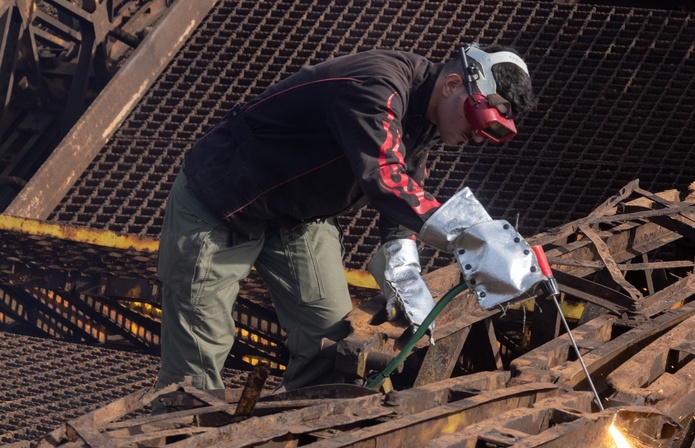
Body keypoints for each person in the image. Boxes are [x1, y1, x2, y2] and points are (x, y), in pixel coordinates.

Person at [154, 43, 536, 394]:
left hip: (297, 216)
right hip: (223, 201)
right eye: (478, 121)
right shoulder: (377, 86)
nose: (479, 137)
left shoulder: (428, 111)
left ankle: (295, 437)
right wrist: (471, 237)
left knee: (331, 342)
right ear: (453, 84)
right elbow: (384, 177)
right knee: (197, 363)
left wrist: (401, 261)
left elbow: (409, 172)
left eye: (492, 133)